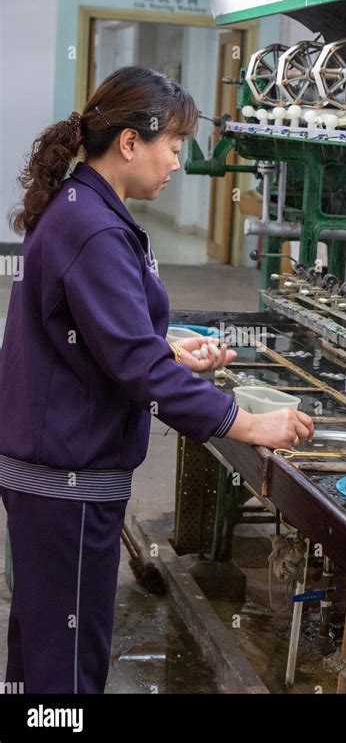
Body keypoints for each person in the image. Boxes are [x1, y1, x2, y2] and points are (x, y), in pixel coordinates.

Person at [0, 66, 314, 693]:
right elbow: (133, 367)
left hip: (50, 473)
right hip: (68, 484)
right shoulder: (94, 227)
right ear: (129, 142)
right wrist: (249, 422)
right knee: (67, 670)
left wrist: (166, 348)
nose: (177, 165)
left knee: (38, 656)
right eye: (172, 146)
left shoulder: (81, 207)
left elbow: (101, 337)